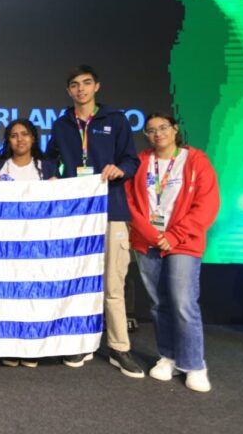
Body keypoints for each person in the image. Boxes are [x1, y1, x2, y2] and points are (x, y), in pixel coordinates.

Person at [46, 65, 144, 378]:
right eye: (74, 85)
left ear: (96, 87)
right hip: (77, 213)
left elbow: (132, 159)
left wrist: (120, 170)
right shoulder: (62, 123)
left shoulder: (114, 120)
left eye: (86, 83)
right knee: (78, 279)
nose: (81, 89)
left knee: (113, 285)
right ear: (69, 90)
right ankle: (81, 341)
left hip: (111, 210)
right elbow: (51, 156)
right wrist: (52, 173)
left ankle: (119, 347)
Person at [125, 113, 219, 392]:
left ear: (175, 129)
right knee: (159, 303)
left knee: (182, 303)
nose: (157, 134)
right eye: (151, 130)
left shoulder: (195, 161)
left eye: (163, 128)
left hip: (184, 242)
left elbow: (207, 204)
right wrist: (154, 235)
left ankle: (194, 364)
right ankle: (169, 356)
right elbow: (130, 203)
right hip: (148, 241)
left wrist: (174, 235)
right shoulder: (141, 162)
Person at [0, 118, 58, 369]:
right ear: (8, 140)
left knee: (33, 294)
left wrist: (57, 187)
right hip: (5, 242)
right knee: (7, 294)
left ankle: (31, 346)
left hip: (36, 243)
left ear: (33, 138)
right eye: (14, 135)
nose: (19, 139)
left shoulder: (47, 167)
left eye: (25, 134)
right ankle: (10, 345)